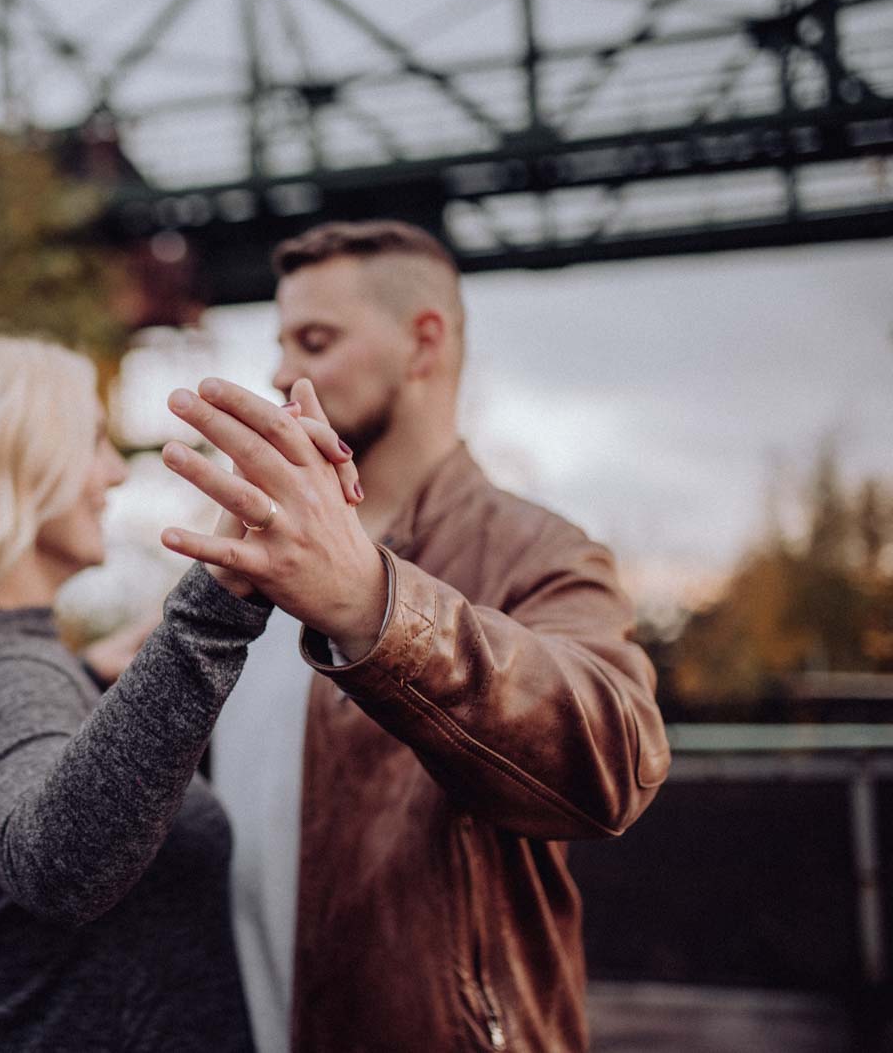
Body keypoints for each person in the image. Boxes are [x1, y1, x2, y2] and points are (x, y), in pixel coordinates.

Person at [165, 220, 673, 1052]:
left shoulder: (539, 550)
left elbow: (614, 762)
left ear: (423, 342)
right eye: (281, 342)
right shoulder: (251, 558)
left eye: (316, 340)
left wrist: (374, 604)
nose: (283, 372)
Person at [0, 336, 359, 1051]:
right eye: (91, 440)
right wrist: (217, 601)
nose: (114, 473)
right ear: (13, 457)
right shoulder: (2, 672)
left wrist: (88, 684)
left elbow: (29, 756)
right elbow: (60, 865)